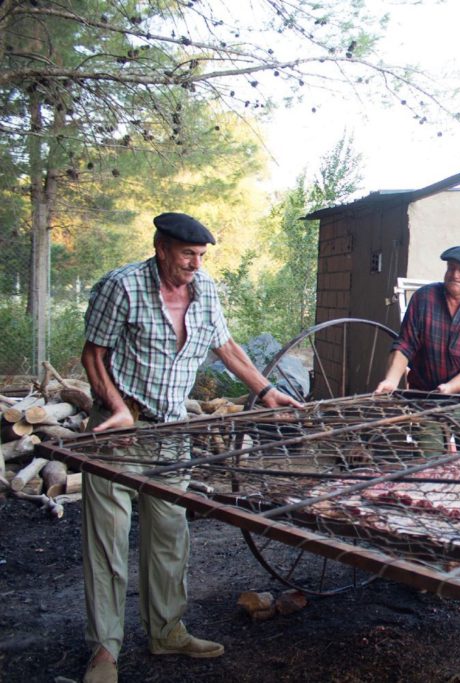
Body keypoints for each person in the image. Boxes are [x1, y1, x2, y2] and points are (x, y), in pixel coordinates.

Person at [79, 212, 301, 683]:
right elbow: (93, 355)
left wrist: (265, 390)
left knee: (169, 537)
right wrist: (116, 408)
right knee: (108, 546)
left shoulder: (206, 291)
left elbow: (225, 345)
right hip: (120, 433)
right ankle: (105, 651)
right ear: (161, 250)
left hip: (172, 434)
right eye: (187, 256)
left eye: (201, 256)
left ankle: (167, 631)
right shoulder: (121, 287)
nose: (195, 265)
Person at [375, 245, 460, 396]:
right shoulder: (424, 298)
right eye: (451, 268)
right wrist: (391, 380)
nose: (455, 274)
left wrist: (449, 387)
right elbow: (405, 345)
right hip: (422, 393)